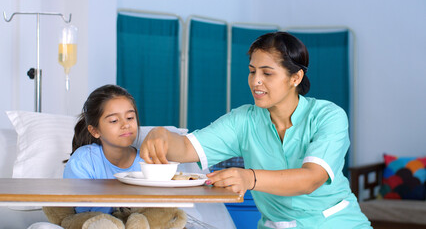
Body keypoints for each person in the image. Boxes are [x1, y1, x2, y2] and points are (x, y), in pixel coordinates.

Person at [140, 32, 372, 228]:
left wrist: (249, 177)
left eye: (267, 73)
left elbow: (310, 179)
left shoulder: (328, 116)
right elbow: (186, 148)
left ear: (296, 77)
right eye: (252, 71)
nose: (255, 81)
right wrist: (163, 135)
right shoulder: (243, 120)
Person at [64, 84, 143, 214]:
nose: (126, 125)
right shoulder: (83, 161)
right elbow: (84, 214)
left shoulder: (148, 161)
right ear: (95, 131)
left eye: (130, 117)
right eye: (114, 120)